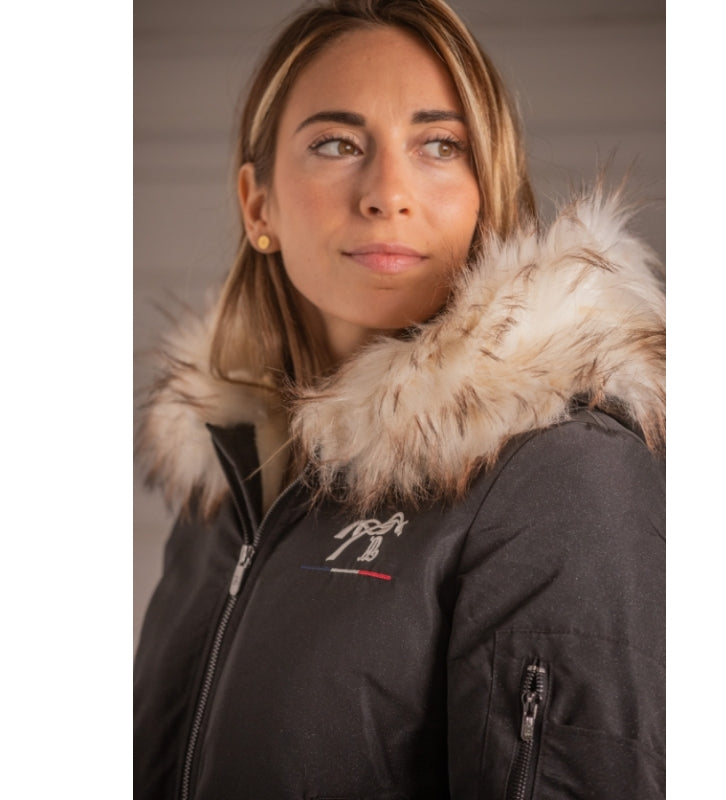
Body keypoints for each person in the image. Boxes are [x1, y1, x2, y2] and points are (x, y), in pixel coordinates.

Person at [134, 0, 666, 797]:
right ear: (258, 205)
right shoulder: (228, 480)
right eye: (337, 144)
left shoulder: (564, 475)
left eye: (440, 146)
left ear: (487, 191)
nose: (388, 192)